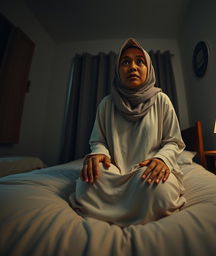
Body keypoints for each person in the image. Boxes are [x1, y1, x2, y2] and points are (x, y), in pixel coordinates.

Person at [69, 38, 186, 227]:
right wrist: (99, 153)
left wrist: (162, 159)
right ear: (118, 70)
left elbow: (174, 141)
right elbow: (98, 141)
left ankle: (111, 211)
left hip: (147, 171)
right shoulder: (107, 104)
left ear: (148, 68)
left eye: (140, 61)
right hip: (113, 171)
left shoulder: (162, 100)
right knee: (86, 182)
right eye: (126, 62)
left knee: (160, 190)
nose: (133, 67)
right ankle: (139, 208)